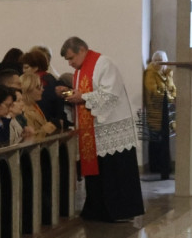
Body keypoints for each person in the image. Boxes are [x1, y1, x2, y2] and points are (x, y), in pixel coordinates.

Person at [58, 36, 145, 222]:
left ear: (82, 49)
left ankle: (120, 211)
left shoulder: (103, 63)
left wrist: (83, 97)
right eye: (68, 60)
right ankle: (99, 210)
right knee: (100, 172)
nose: (70, 63)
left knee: (114, 172)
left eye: (71, 58)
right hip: (94, 130)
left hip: (111, 127)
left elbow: (110, 94)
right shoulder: (80, 71)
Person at [144, 50, 175, 180]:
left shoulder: (167, 73)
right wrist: (168, 96)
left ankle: (165, 167)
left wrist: (171, 96)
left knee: (165, 140)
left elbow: (173, 89)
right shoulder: (150, 73)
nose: (161, 64)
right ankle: (156, 167)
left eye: (163, 61)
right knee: (156, 139)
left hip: (167, 110)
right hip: (156, 111)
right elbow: (153, 91)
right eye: (159, 61)